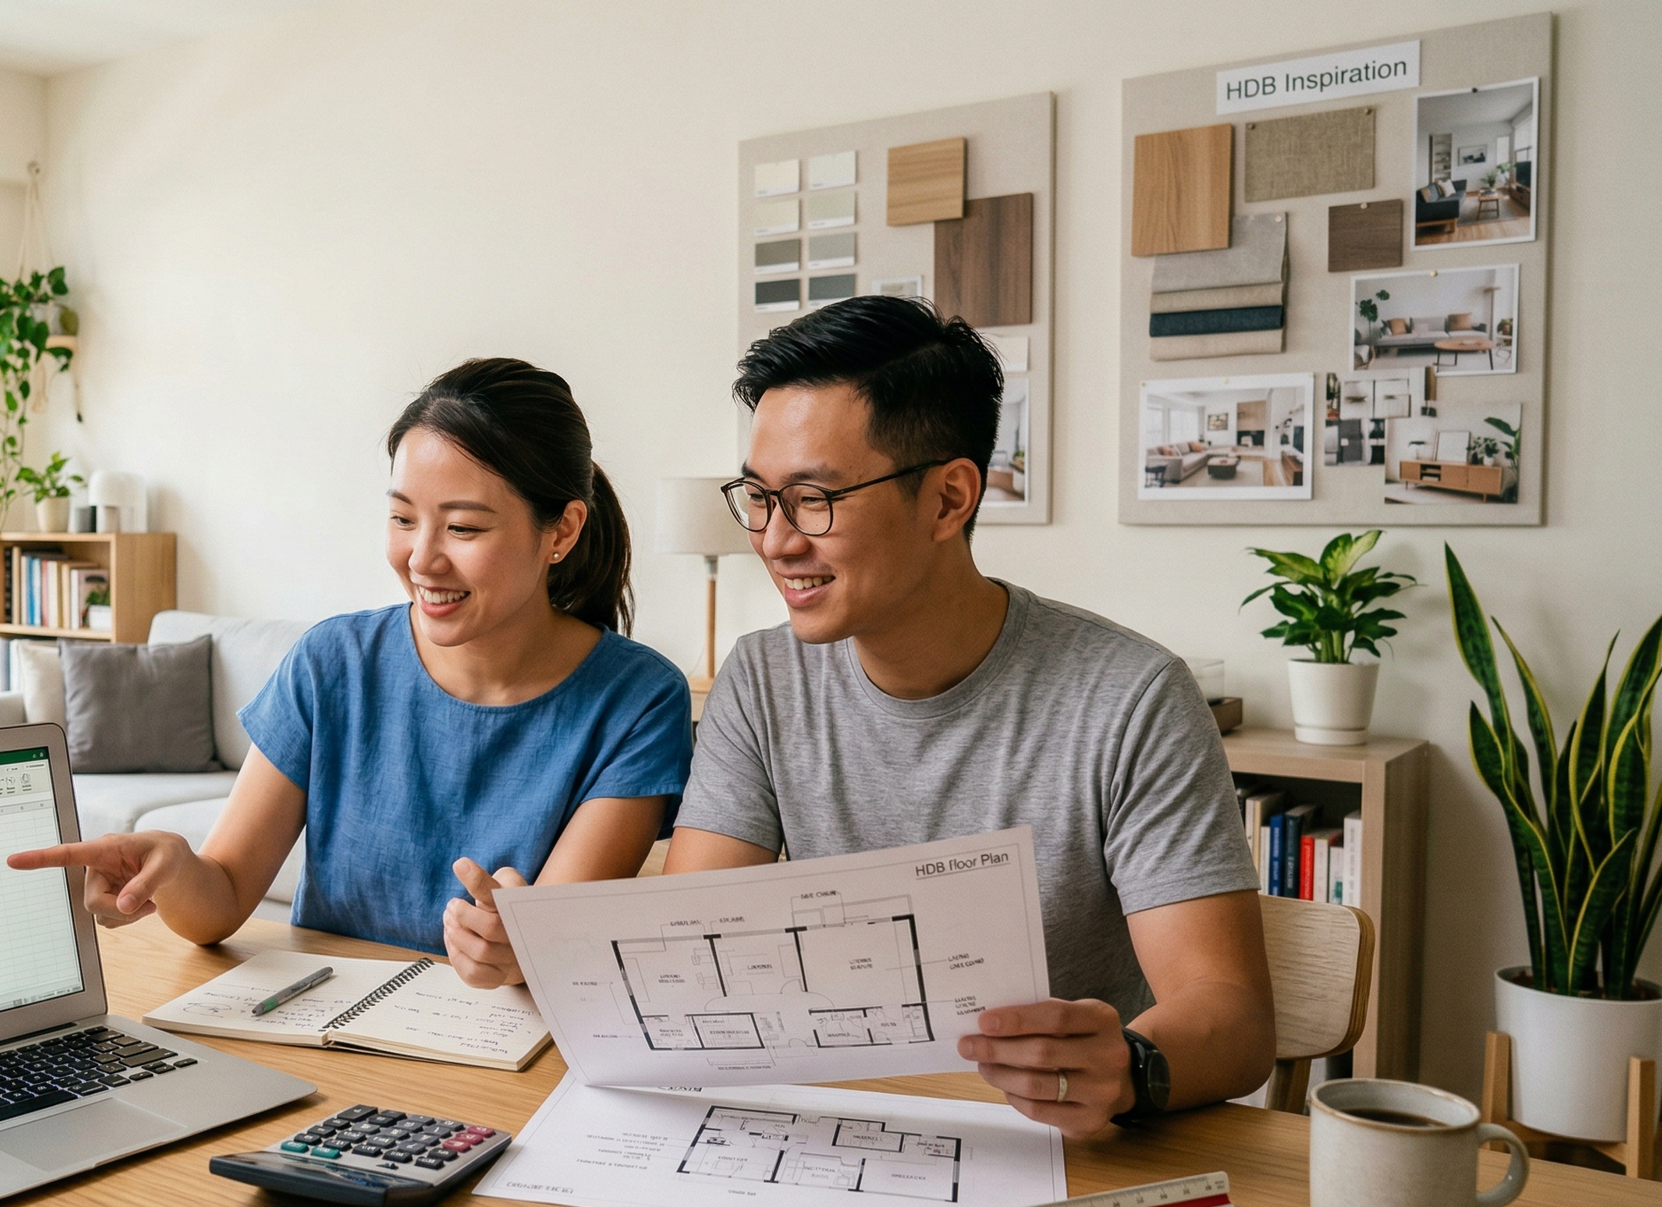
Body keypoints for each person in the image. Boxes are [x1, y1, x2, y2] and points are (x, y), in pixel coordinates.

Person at [453, 298, 1273, 1135]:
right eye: (760, 498)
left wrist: (1131, 1066)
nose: (774, 541)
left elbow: (1233, 1017)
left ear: (949, 499)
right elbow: (693, 947)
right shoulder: (765, 677)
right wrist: (550, 951)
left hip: (1042, 1142)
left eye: (812, 499)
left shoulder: (1131, 699)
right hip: (824, 1128)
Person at [9, 358, 691, 985]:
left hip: (506, 1055)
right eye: (402, 518)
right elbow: (216, 907)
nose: (421, 559)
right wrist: (173, 866)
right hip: (327, 1037)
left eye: (463, 528)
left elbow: (552, 938)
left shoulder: (636, 701)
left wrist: (517, 949)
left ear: (562, 531)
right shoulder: (332, 663)